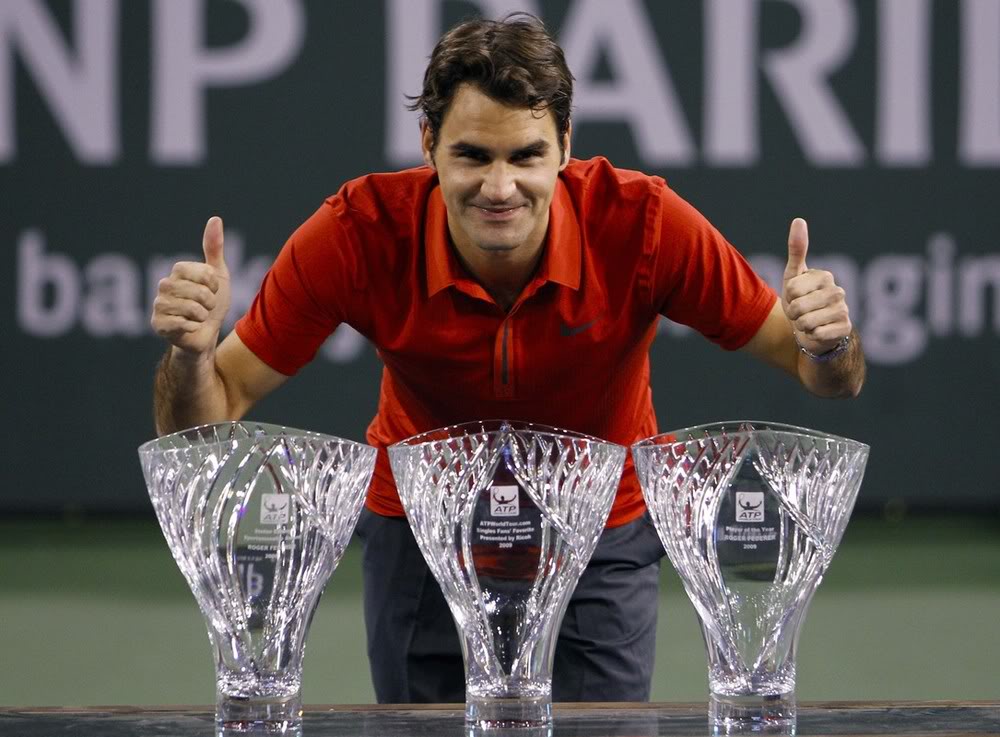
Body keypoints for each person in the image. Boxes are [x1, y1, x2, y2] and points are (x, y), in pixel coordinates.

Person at [150, 13, 865, 703]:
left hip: (597, 535)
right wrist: (190, 356)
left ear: (564, 146)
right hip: (422, 533)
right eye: (472, 156)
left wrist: (828, 341)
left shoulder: (644, 223)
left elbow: (823, 376)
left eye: (526, 156)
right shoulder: (356, 234)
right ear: (429, 143)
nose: (500, 188)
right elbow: (208, 416)